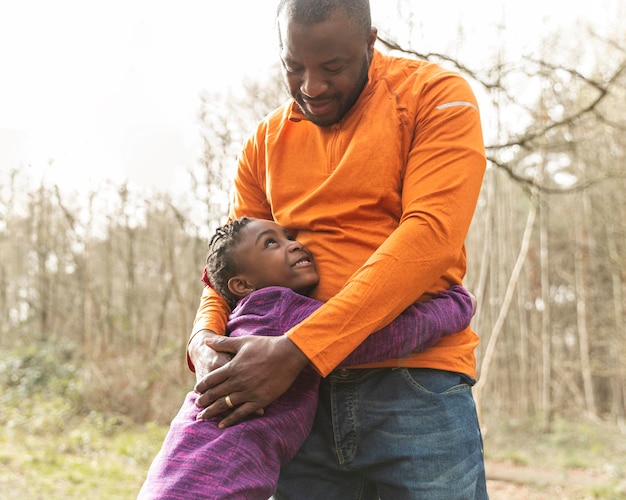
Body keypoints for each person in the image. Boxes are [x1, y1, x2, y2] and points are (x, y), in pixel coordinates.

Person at [189, 0, 488, 497]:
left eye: (333, 67)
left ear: (370, 43)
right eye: (294, 67)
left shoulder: (434, 96)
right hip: (290, 399)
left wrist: (300, 349)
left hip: (413, 383)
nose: (312, 87)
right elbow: (227, 269)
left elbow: (430, 236)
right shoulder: (263, 144)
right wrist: (203, 339)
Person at [138, 217, 475, 499]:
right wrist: (452, 307)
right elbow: (378, 340)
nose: (294, 244)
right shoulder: (279, 309)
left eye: (288, 236)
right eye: (271, 244)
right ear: (242, 284)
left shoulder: (245, 319)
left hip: (174, 478)